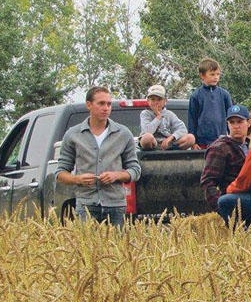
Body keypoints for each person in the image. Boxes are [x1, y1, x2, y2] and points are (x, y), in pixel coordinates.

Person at [55, 86, 142, 227]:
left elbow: (135, 170)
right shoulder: (73, 134)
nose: (106, 108)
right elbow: (60, 173)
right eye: (101, 103)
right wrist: (77, 179)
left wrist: (116, 176)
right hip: (86, 204)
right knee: (86, 248)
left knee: (117, 247)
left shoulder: (123, 134)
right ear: (89, 104)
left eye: (108, 104)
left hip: (116, 205)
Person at [200, 105, 250, 212]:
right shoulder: (219, 148)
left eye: (240, 121)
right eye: (232, 122)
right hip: (233, 200)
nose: (236, 126)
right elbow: (208, 182)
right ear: (227, 125)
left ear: (249, 123)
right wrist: (221, 208)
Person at [188, 57, 233, 149]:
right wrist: (194, 142)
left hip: (222, 140)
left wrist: (232, 137)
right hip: (202, 142)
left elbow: (231, 117)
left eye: (218, 74)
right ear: (202, 75)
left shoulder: (224, 94)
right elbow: (192, 120)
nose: (216, 77)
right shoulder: (196, 96)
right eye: (212, 74)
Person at [139, 84, 196, 150]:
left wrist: (171, 137)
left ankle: (172, 152)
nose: (156, 102)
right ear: (148, 101)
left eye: (159, 99)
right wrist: (158, 116)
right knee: (147, 137)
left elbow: (183, 129)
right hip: (152, 143)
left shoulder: (169, 114)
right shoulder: (145, 114)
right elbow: (147, 131)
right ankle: (153, 152)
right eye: (153, 99)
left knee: (191, 138)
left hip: (167, 143)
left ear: (165, 101)